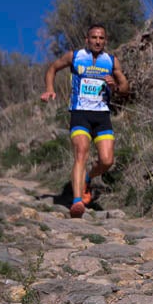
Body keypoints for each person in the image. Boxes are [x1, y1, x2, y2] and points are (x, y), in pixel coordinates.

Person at [40, 24, 131, 217]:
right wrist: (49, 88)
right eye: (94, 37)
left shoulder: (111, 61)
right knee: (81, 152)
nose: (98, 41)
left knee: (107, 161)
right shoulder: (75, 56)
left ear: (105, 41)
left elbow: (125, 88)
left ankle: (88, 178)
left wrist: (115, 85)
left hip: (101, 115)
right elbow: (53, 68)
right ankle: (77, 201)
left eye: (101, 38)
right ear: (87, 39)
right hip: (80, 113)